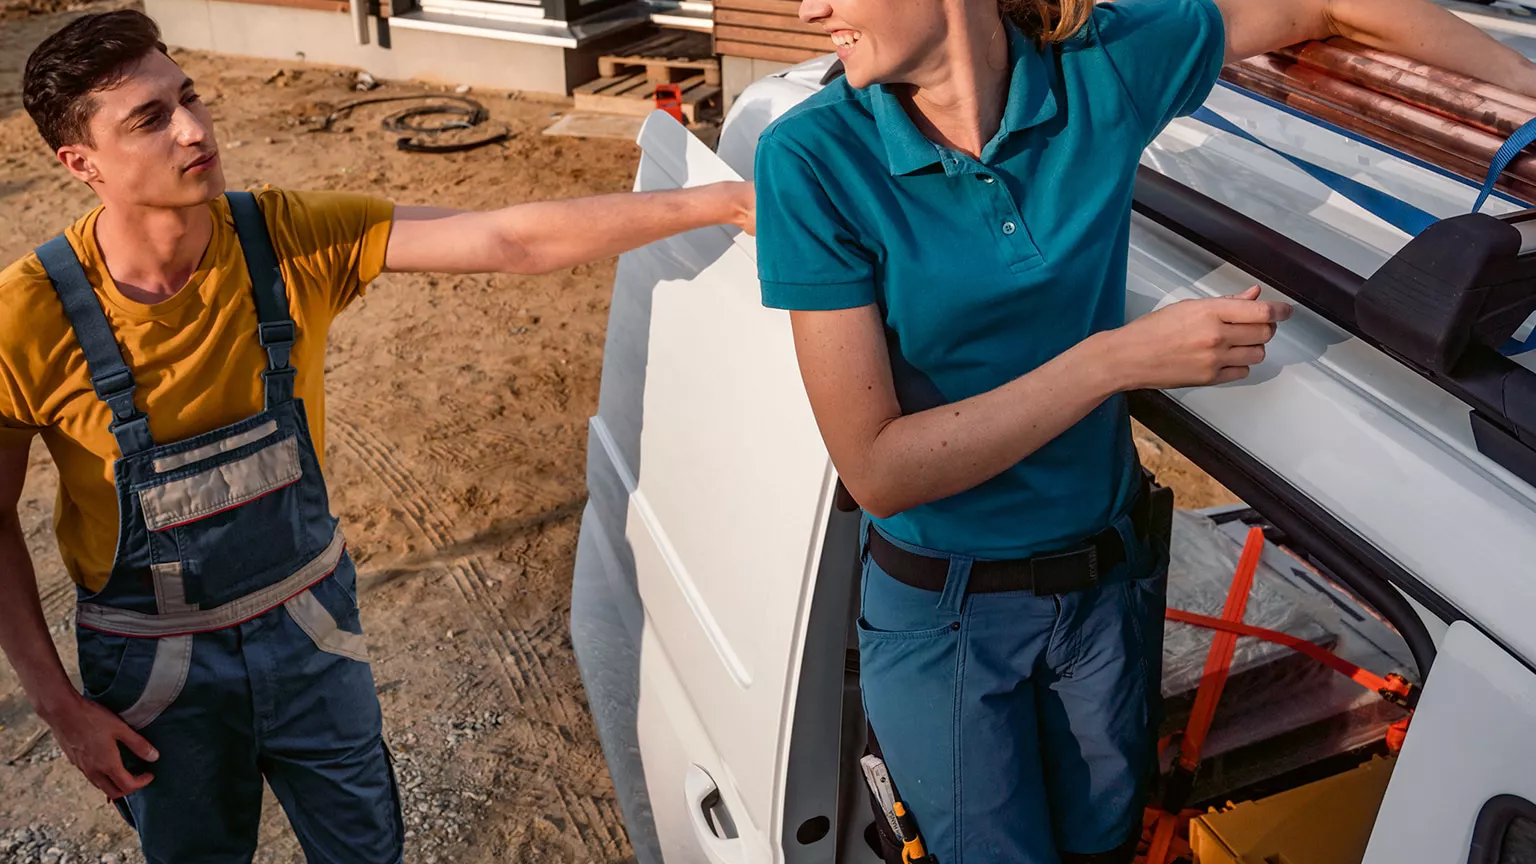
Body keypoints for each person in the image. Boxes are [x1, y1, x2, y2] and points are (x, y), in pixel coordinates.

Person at [754, 0, 1536, 861]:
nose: (806, 8)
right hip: (947, 623)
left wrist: (1527, 94)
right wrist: (1113, 362)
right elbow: (878, 469)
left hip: (1106, 595)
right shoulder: (811, 159)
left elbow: (1323, 6)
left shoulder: (1104, 69)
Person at [0, 10, 753, 863]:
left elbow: (508, 239)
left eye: (190, 96)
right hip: (155, 681)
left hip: (312, 641)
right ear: (79, 163)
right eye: (149, 119)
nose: (195, 128)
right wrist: (62, 709)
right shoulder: (25, 318)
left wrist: (723, 202)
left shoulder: (284, 239)